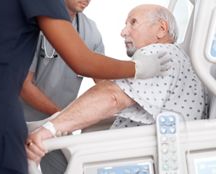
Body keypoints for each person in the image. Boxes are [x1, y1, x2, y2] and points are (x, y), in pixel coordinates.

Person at [0, 1, 170, 174]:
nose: (124, 31)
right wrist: (137, 70)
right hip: (11, 121)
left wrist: (81, 115)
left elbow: (106, 88)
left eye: (133, 23)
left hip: (42, 129)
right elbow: (81, 64)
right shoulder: (43, 15)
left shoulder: (90, 30)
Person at [26, 4, 208, 165]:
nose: (123, 31)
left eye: (133, 22)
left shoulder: (159, 56)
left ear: (161, 29)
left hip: (138, 158)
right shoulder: (179, 59)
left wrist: (51, 128)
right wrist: (67, 121)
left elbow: (112, 96)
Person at [20, 0, 103, 173]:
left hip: (56, 128)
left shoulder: (91, 32)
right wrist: (63, 117)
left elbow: (103, 82)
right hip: (20, 122)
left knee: (65, 169)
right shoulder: (34, 24)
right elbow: (23, 86)